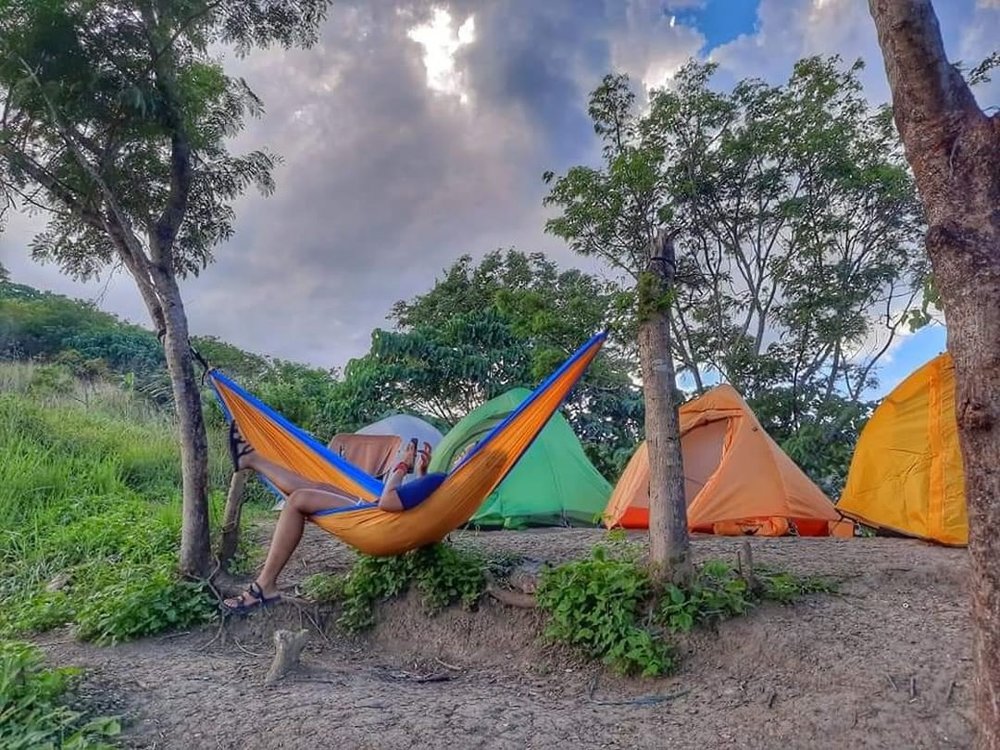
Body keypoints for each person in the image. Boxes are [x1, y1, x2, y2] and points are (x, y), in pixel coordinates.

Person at [221, 425, 442, 614]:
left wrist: (401, 466)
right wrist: (421, 473)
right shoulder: (446, 482)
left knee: (298, 500)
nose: (459, 456)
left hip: (377, 520)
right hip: (376, 512)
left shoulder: (444, 479)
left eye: (462, 456)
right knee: (319, 487)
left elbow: (389, 502)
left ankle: (264, 585)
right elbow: (422, 509)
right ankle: (250, 458)